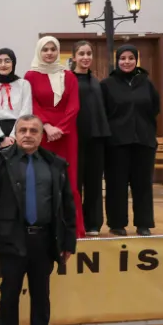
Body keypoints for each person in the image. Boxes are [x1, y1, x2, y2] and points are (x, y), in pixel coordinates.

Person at [0, 114, 77, 325]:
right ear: (16, 133)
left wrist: (69, 241)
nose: (28, 135)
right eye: (23, 130)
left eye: (34, 130)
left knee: (41, 296)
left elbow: (67, 205)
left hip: (44, 240)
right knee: (9, 294)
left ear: (42, 135)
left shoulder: (54, 163)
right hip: (11, 239)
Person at [24, 36, 84, 237]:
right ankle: (44, 227)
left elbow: (74, 105)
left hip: (66, 134)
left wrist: (60, 129)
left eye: (53, 49)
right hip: (41, 133)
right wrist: (47, 126)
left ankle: (73, 227)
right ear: (39, 52)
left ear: (58, 51)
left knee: (69, 178)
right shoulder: (30, 76)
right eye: (45, 49)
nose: (49, 53)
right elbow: (32, 103)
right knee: (42, 179)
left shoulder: (69, 76)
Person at [101, 45, 160, 237]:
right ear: (117, 60)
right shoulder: (107, 84)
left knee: (143, 184)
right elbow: (103, 113)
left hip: (143, 141)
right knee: (116, 184)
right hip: (116, 143)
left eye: (131, 58)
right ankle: (117, 224)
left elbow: (155, 108)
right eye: (123, 58)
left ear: (136, 60)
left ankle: (144, 223)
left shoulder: (146, 83)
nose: (127, 62)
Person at [71, 41, 111, 236]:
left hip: (96, 138)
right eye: (81, 54)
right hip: (75, 138)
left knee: (94, 182)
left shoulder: (96, 81)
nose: (85, 57)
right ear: (74, 57)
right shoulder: (68, 80)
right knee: (75, 181)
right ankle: (75, 222)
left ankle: (93, 223)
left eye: (89, 54)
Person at [0, 48, 32, 166]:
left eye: (7, 61)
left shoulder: (24, 84)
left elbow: (26, 111)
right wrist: (1, 138)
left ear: (13, 62)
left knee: (17, 169)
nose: (3, 65)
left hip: (19, 131)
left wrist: (13, 136)